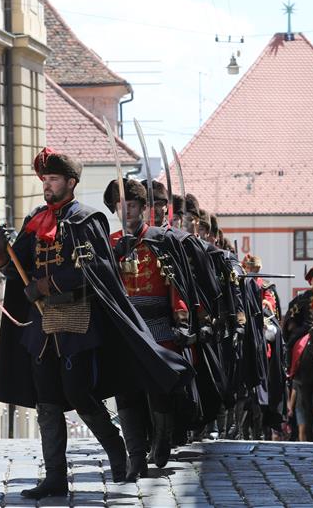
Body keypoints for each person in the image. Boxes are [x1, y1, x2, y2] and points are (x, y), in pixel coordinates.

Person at [0, 148, 192, 499]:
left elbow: (97, 270)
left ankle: (117, 451)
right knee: (47, 402)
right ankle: (55, 477)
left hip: (77, 324)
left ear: (70, 182)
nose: (47, 186)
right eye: (45, 180)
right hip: (41, 327)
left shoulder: (88, 220)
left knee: (78, 394)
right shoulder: (36, 220)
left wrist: (46, 284)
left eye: (53, 179)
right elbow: (14, 269)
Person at [104, 177, 196, 478]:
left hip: (157, 324)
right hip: (125, 326)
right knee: (126, 393)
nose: (127, 211)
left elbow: (176, 284)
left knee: (159, 390)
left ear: (143, 208)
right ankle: (136, 458)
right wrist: (117, 255)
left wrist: (181, 319)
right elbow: (101, 284)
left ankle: (162, 438)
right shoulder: (110, 243)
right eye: (121, 206)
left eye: (132, 205)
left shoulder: (161, 240)